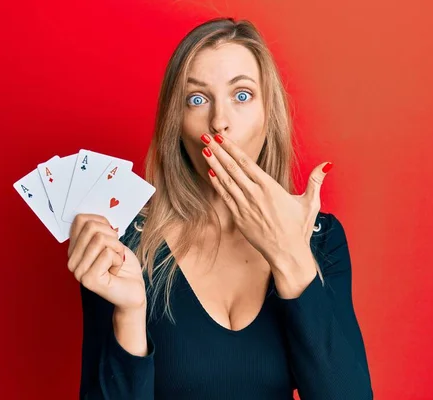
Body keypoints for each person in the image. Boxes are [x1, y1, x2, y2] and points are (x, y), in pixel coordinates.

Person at [67, 17, 373, 399]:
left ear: (268, 116)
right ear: (175, 124)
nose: (219, 122)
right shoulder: (123, 244)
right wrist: (129, 314)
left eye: (242, 95)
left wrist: (291, 258)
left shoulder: (321, 239)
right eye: (197, 99)